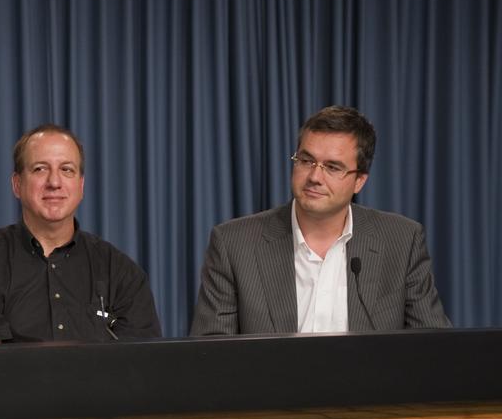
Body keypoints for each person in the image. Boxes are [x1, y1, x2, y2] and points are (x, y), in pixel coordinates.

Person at [189, 105, 450, 336]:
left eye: (333, 167)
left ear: (359, 180)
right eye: (306, 160)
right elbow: (210, 358)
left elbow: (432, 348)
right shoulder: (234, 244)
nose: (314, 176)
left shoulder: (401, 241)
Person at [0, 124, 161, 343]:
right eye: (40, 169)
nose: (54, 182)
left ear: (81, 185)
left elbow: (139, 367)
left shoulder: (121, 272)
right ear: (17, 184)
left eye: (67, 170)